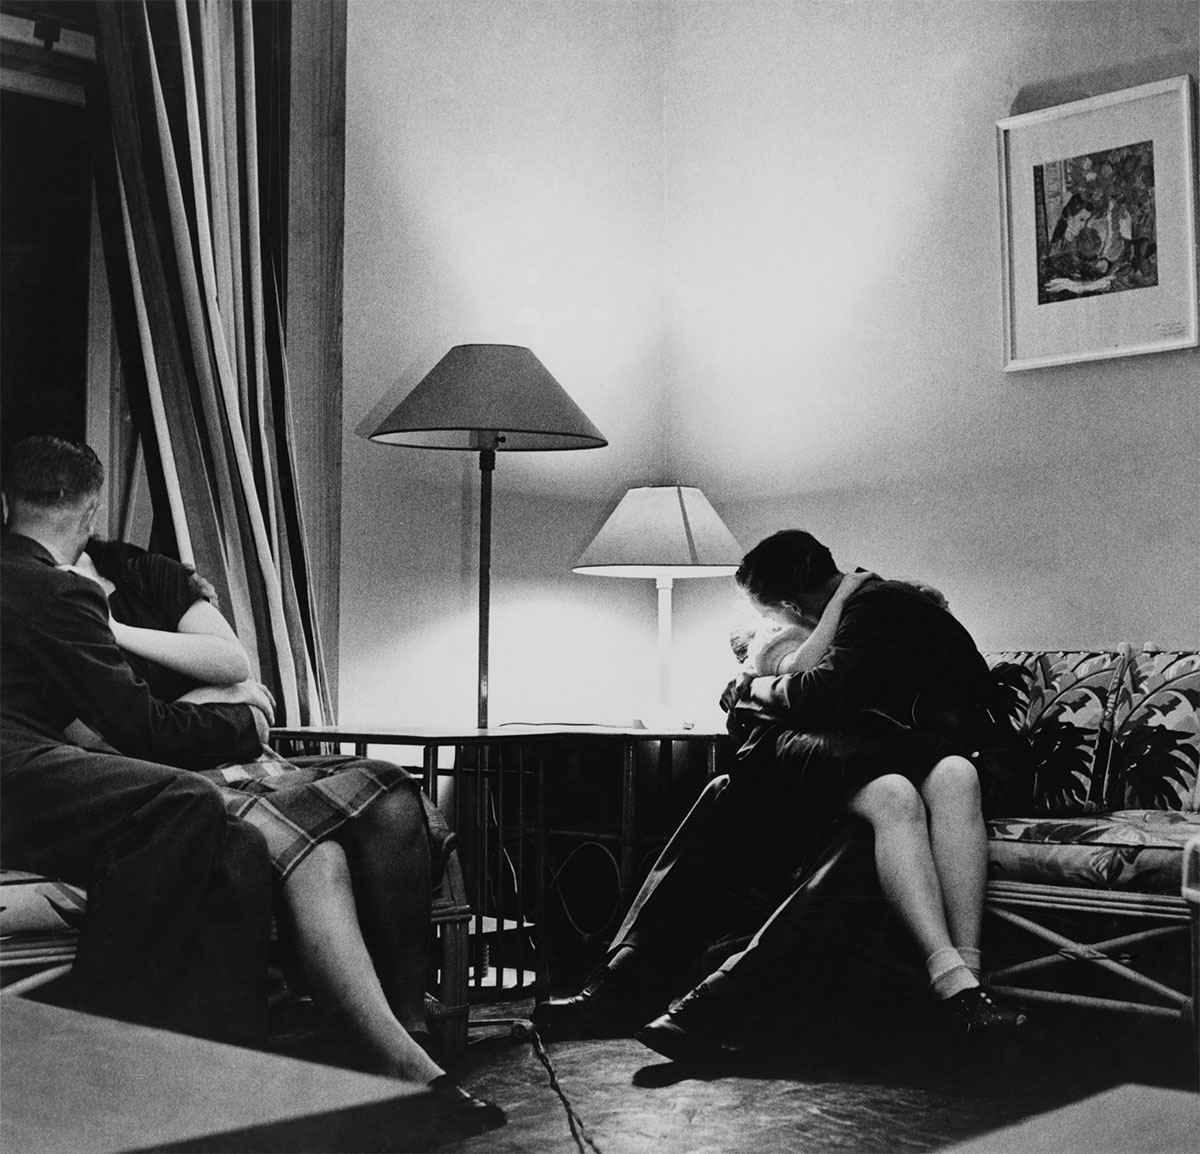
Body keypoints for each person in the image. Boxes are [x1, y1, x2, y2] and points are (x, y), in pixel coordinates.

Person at [63, 534, 507, 1141]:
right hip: (173, 780)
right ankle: (398, 1062)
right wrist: (221, 704)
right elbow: (109, 740)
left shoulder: (144, 573)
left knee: (391, 793)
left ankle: (408, 1028)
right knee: (315, 854)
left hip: (250, 755)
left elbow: (234, 664)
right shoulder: (36, 601)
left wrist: (114, 629)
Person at [535, 529, 1033, 1063]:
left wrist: (752, 692)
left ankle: (697, 996)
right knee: (740, 795)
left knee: (868, 812)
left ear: (791, 603)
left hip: (918, 764)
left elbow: (819, 691)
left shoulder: (880, 607)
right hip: (865, 763)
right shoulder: (830, 619)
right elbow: (789, 689)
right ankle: (646, 985)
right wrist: (755, 690)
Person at [1, 436, 273, 1044]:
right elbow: (145, 730)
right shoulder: (56, 591)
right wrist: (245, 721)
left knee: (239, 846)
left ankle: (225, 1059)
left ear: (6, 502)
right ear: (90, 511)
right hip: (12, 773)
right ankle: (97, 1044)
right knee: (182, 800)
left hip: (24, 778)